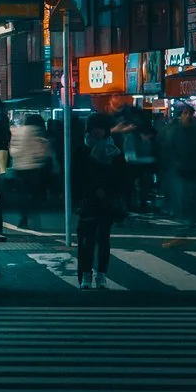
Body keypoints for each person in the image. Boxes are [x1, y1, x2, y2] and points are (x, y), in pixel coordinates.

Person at [72, 111, 129, 289]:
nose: (98, 132)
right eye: (95, 128)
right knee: (87, 240)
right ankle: (86, 274)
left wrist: (109, 190)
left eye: (101, 128)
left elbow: (122, 176)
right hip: (88, 199)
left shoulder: (114, 150)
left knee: (103, 240)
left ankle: (101, 274)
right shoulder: (82, 149)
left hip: (107, 200)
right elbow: (77, 176)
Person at [6, 111, 53, 229]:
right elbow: (42, 152)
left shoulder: (16, 132)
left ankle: (24, 217)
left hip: (18, 167)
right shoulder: (37, 132)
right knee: (32, 194)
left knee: (22, 194)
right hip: (33, 168)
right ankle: (32, 218)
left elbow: (12, 150)